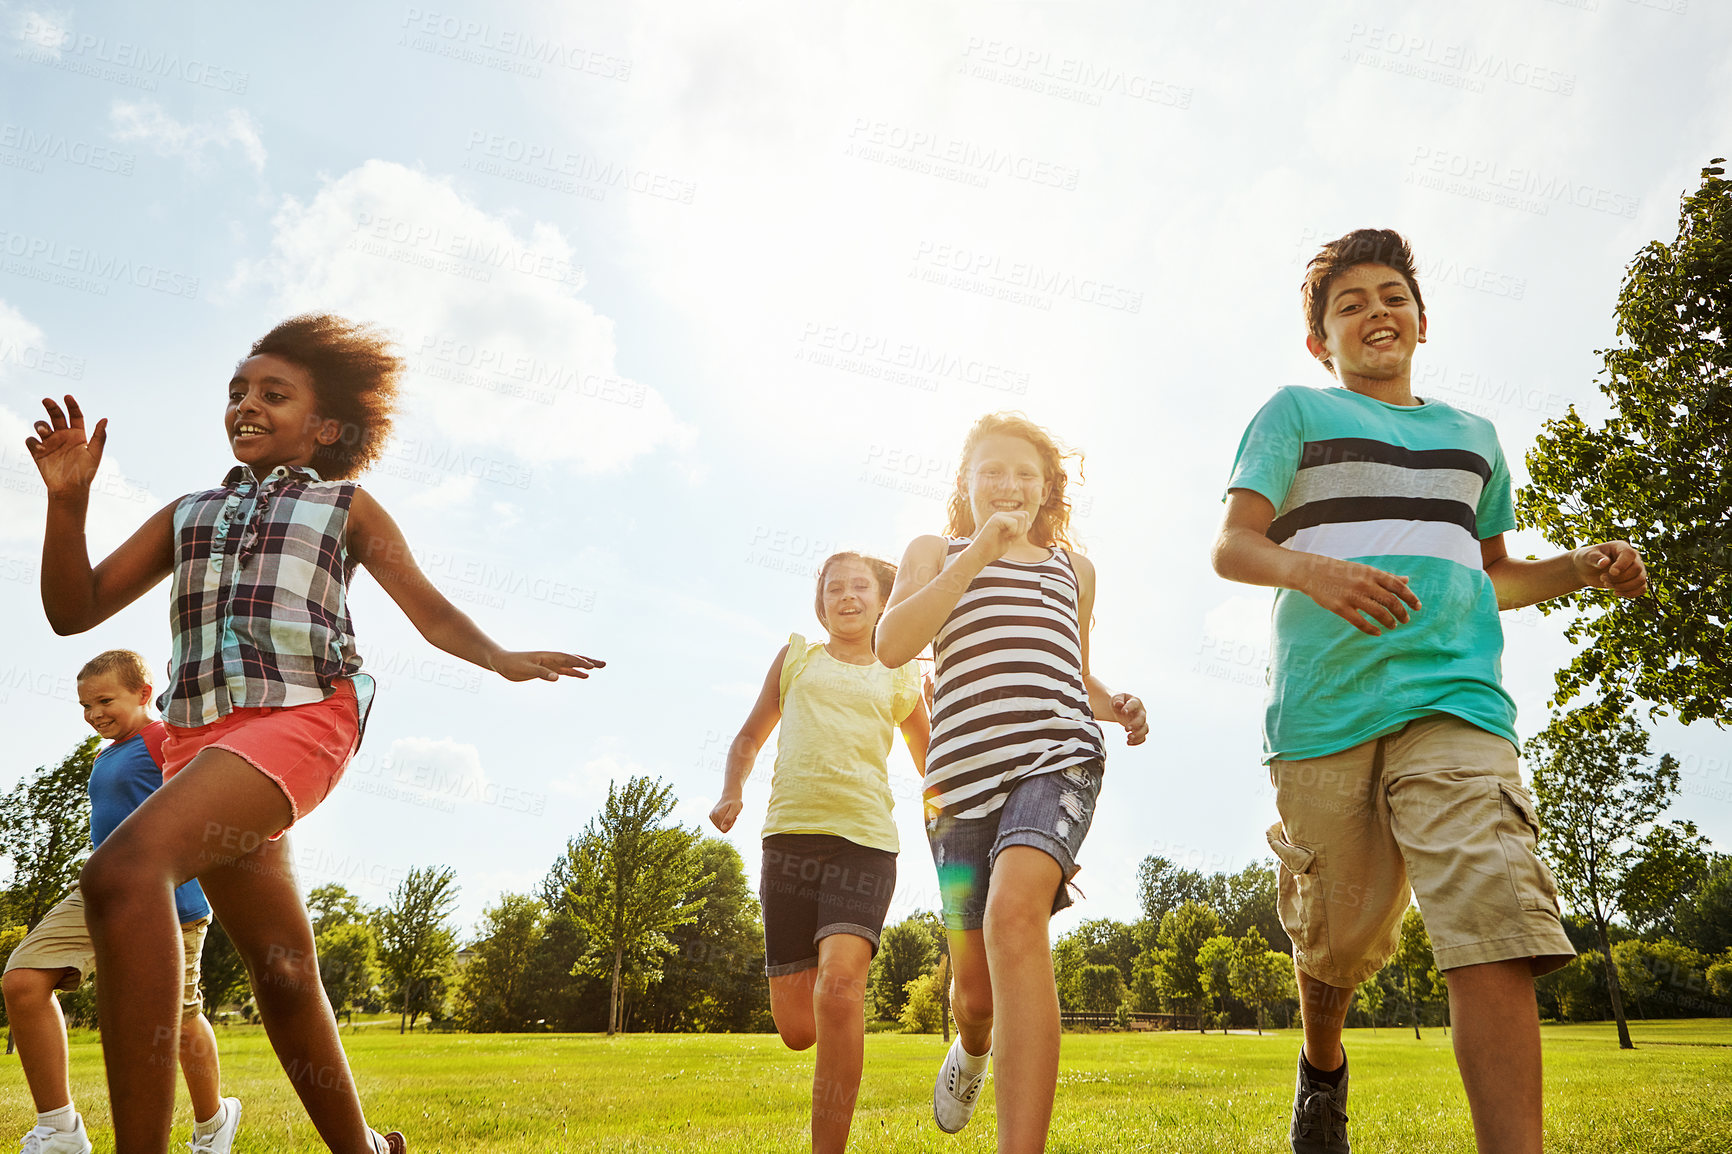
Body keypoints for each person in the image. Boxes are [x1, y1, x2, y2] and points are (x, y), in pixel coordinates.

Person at [25, 313, 604, 1154]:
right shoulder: (188, 514)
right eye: (238, 392)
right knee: (285, 969)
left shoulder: (344, 506)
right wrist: (68, 502)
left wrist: (500, 656)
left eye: (274, 393)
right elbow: (72, 610)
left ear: (327, 426)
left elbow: (430, 610)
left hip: (302, 718)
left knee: (123, 873)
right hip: (199, 740)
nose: (246, 405)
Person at [1211, 228, 1647, 1154]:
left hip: (1458, 705)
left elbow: (1493, 574)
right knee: (1338, 942)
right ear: (1319, 341)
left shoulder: (1474, 439)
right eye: (1351, 305)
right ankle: (1322, 1061)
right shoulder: (1294, 412)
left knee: (1492, 915)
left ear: (1421, 319)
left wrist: (1577, 566)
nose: (1376, 312)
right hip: (1325, 715)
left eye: (1393, 297)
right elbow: (1233, 547)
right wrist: (1314, 572)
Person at [875, 413, 1147, 1154]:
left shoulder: (1074, 570)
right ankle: (973, 1048)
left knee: (1013, 916)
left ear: (1048, 488)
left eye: (1026, 474)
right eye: (991, 471)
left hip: (1056, 757)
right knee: (974, 996)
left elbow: (1073, 671)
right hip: (957, 784)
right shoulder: (934, 552)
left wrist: (1115, 703)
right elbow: (892, 644)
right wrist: (977, 555)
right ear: (965, 483)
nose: (1009, 485)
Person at [710, 551, 930, 1154]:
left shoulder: (901, 673)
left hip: (865, 843)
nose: (848, 596)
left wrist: (967, 813)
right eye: (835, 588)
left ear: (882, 602)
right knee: (798, 1028)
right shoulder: (797, 658)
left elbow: (931, 762)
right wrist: (732, 790)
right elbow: (749, 735)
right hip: (789, 841)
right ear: (821, 604)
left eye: (860, 586)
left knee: (839, 988)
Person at [3, 650, 242, 1154]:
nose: (94, 714)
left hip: (171, 901)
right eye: (85, 706)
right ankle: (60, 1129)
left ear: (143, 693)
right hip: (102, 891)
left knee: (179, 1018)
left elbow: (212, 807)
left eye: (105, 701)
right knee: (23, 981)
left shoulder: (165, 740)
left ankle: (214, 1121)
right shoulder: (106, 754)